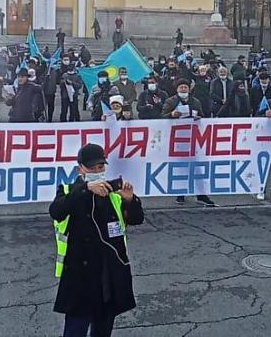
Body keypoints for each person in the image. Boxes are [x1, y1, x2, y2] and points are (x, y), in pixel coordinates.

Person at [49, 143, 144, 337]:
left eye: (100, 167)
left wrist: (130, 200)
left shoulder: (113, 194)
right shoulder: (69, 190)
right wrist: (86, 188)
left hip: (108, 272)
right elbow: (56, 211)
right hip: (80, 274)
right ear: (80, 169)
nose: (97, 171)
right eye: (91, 168)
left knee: (103, 329)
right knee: (75, 329)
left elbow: (136, 219)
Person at [162, 80, 215, 206]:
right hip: (177, 139)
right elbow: (162, 117)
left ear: (189, 89)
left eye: (185, 87)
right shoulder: (170, 101)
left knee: (197, 168)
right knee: (181, 168)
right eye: (181, 87)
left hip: (192, 138)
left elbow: (202, 115)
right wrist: (171, 114)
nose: (183, 89)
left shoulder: (195, 102)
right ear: (177, 89)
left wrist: (199, 118)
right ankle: (180, 194)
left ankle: (201, 195)